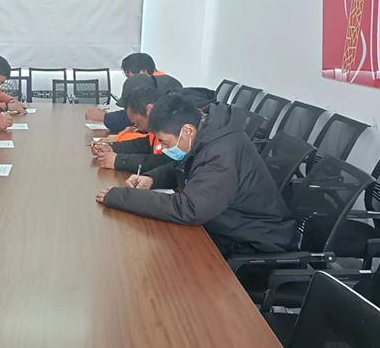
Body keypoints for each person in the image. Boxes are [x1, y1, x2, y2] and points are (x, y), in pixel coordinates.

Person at [95, 94, 297, 256]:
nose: (162, 148)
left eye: (164, 142)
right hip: (227, 226)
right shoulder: (208, 133)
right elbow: (183, 166)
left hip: (255, 244)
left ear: (187, 131)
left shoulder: (222, 153)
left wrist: (121, 196)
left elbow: (189, 209)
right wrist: (151, 179)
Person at [85, 53, 183, 132]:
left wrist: (105, 117)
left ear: (143, 72)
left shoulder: (161, 87)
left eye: (129, 77)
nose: (130, 81)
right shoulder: (164, 81)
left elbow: (135, 117)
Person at [91, 87, 172, 173]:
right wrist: (112, 147)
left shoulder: (172, 129)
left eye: (138, 122)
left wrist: (118, 161)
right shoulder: (158, 128)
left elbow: (163, 162)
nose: (137, 127)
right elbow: (144, 144)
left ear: (150, 109)